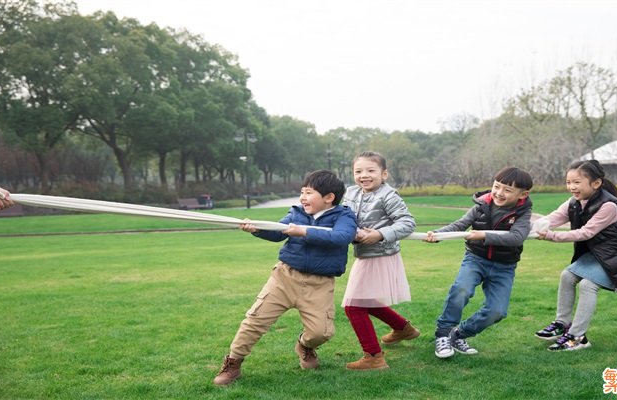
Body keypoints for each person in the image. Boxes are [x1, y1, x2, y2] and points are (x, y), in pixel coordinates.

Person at [213, 170, 357, 386]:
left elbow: (341, 237)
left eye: (309, 193)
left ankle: (305, 346)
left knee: (322, 333)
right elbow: (277, 232)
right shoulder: (296, 213)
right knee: (255, 320)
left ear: (329, 197)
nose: (302, 197)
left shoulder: (344, 216)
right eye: (302, 192)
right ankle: (233, 362)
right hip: (285, 277)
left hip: (319, 284)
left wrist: (304, 232)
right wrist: (256, 229)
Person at [534, 160, 617, 351]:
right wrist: (536, 225)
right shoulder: (575, 202)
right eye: (568, 182)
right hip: (602, 253)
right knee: (567, 276)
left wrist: (551, 236)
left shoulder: (609, 206)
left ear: (596, 183)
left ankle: (577, 337)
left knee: (588, 285)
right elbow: (555, 216)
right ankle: (562, 324)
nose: (571, 187)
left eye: (577, 182)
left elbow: (586, 233)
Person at [425, 167, 533, 359]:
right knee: (461, 290)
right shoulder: (481, 206)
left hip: (504, 267)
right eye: (497, 186)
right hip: (475, 259)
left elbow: (517, 237)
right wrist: (437, 234)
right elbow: (459, 225)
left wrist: (483, 235)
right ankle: (443, 333)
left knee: (497, 311)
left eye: (507, 190)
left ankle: (458, 335)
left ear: (522, 194)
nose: (499, 193)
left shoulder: (523, 213)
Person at [340, 151, 419, 370]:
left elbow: (407, 222)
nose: (364, 175)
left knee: (353, 306)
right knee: (367, 301)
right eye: (358, 171)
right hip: (364, 254)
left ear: (384, 174)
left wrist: (379, 234)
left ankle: (373, 357)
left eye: (370, 170)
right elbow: (343, 217)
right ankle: (403, 328)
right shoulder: (351, 192)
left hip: (381, 255)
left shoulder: (388, 195)